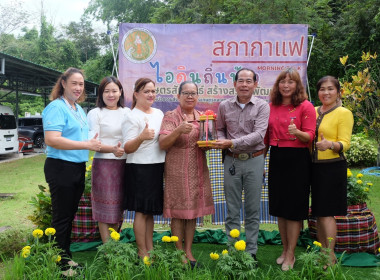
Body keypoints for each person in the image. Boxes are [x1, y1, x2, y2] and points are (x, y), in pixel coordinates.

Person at [42, 67, 101, 276]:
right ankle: (60, 264)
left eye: (81, 84)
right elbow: (52, 139)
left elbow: (81, 138)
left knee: (69, 216)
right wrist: (86, 144)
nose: (78, 88)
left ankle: (65, 258)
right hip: (61, 167)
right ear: (64, 83)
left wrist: (92, 143)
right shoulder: (56, 107)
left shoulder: (77, 108)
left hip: (76, 167)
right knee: (62, 217)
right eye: (74, 83)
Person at [213, 68, 270, 264]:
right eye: (241, 81)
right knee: (232, 208)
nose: (244, 84)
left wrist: (232, 142)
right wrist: (222, 141)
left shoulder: (263, 106)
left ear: (255, 84)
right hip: (231, 161)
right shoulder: (224, 105)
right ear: (234, 84)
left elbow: (259, 135)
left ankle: (251, 251)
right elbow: (219, 129)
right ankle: (233, 249)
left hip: (255, 159)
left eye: (249, 81)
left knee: (253, 209)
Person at [265, 68, 316, 271]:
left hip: (297, 159)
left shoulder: (306, 106)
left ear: (297, 85)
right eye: (282, 82)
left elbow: (310, 137)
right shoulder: (271, 106)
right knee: (280, 208)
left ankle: (292, 254)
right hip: (276, 157)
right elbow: (266, 136)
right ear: (278, 86)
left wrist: (298, 133)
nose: (286, 85)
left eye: (290, 82)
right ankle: (285, 250)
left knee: (294, 210)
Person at [159, 81, 215, 268]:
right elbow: (163, 144)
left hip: (198, 168)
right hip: (177, 169)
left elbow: (206, 141)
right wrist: (178, 130)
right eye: (186, 93)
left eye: (193, 93)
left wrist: (210, 143)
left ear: (198, 96)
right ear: (178, 96)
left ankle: (189, 251)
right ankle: (178, 251)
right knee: (178, 212)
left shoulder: (202, 117)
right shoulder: (171, 116)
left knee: (192, 212)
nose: (190, 96)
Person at [311, 76, 353, 266]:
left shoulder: (343, 113)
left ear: (338, 92)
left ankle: (330, 256)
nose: (326, 93)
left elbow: (345, 143)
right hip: (313, 167)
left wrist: (330, 144)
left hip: (332, 167)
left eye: (330, 89)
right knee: (318, 212)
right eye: (322, 89)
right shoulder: (313, 111)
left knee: (327, 212)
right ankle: (323, 252)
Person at [122, 78, 165, 259]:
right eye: (146, 91)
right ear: (136, 94)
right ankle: (142, 252)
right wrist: (141, 137)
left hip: (156, 166)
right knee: (141, 211)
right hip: (139, 168)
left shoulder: (159, 113)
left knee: (150, 211)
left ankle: (150, 249)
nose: (150, 94)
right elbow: (127, 147)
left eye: (153, 91)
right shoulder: (131, 116)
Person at [87, 76, 130, 243]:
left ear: (120, 92)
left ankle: (115, 243)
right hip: (104, 165)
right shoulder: (95, 113)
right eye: (106, 91)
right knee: (105, 208)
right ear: (101, 93)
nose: (111, 95)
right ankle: (108, 248)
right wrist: (112, 149)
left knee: (119, 206)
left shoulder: (127, 112)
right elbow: (93, 143)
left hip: (126, 164)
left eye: (114, 90)